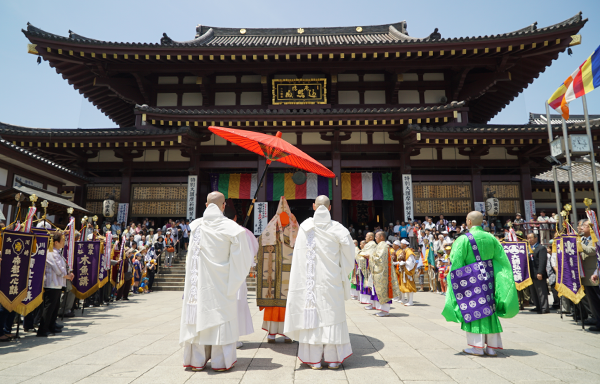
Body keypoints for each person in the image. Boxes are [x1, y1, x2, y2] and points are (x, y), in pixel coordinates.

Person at [180, 192, 253, 372]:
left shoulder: (196, 226)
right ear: (223, 206)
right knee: (220, 318)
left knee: (198, 316)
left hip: (198, 285)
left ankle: (197, 361)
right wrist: (234, 281)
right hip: (222, 284)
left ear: (206, 205)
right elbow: (243, 260)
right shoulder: (233, 228)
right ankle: (220, 362)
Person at [284, 196, 355, 369]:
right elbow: (349, 257)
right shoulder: (339, 229)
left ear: (314, 206)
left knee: (312, 317)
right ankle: (333, 359)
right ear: (330, 208)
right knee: (332, 316)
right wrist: (343, 273)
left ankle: (314, 359)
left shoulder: (305, 227)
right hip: (332, 281)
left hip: (310, 282)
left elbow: (299, 258)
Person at [442, 211, 519, 357]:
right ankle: (491, 347)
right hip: (489, 278)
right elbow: (501, 260)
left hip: (470, 279)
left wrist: (452, 282)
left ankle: (477, 347)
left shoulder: (463, 239)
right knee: (490, 309)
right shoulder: (492, 238)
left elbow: (456, 261)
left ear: (469, 222)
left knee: (474, 309)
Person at [38, 231, 74, 337]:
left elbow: (63, 265)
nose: (63, 243)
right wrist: (66, 275)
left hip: (57, 283)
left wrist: (68, 273)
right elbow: (58, 269)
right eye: (61, 241)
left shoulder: (57, 252)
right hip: (51, 283)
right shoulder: (51, 253)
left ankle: (51, 326)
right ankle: (43, 329)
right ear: (56, 242)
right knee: (49, 307)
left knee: (54, 307)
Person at [364, 232, 401, 316]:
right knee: (378, 291)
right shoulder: (379, 245)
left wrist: (369, 256)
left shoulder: (383, 246)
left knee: (383, 291)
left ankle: (385, 311)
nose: (375, 238)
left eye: (376, 236)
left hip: (383, 273)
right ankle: (381, 309)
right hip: (378, 272)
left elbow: (379, 258)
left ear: (381, 237)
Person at [579, 219, 600, 332]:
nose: (582, 227)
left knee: (598, 299)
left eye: (585, 226)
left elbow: (592, 251)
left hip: (595, 274)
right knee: (592, 302)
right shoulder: (583, 239)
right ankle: (597, 321)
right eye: (582, 226)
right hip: (586, 275)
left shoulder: (596, 239)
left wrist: (578, 244)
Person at [526, 233, 549, 314]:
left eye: (531, 238)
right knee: (534, 292)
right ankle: (538, 306)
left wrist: (540, 272)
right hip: (531, 273)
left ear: (536, 238)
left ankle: (544, 308)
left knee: (541, 291)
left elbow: (542, 261)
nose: (529, 239)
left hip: (538, 273)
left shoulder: (541, 248)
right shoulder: (528, 248)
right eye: (528, 238)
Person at [357, 232, 376, 304]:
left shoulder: (372, 245)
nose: (365, 238)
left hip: (368, 267)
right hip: (363, 267)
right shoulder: (368, 245)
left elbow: (369, 255)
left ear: (371, 237)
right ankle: (366, 300)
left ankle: (370, 301)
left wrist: (362, 254)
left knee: (369, 283)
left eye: (366, 236)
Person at [397, 239, 417, 306]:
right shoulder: (405, 251)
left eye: (401, 243)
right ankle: (408, 300)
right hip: (405, 270)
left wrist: (405, 263)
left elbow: (411, 262)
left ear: (405, 244)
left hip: (408, 271)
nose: (400, 245)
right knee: (407, 286)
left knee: (410, 286)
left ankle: (411, 301)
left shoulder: (409, 252)